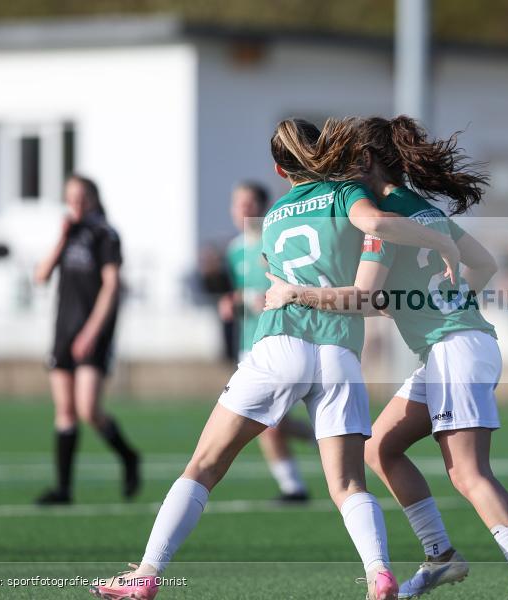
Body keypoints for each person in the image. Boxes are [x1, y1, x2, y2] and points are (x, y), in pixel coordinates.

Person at [90, 118, 462, 600]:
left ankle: (145, 575)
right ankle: (379, 575)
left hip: (279, 344)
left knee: (204, 464)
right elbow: (375, 227)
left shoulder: (274, 217)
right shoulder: (345, 195)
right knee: (348, 484)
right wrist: (440, 238)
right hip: (338, 354)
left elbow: (272, 277)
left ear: (279, 170)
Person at [265, 116, 508, 600]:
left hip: (455, 351)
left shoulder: (382, 221)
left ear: (364, 161)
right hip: (459, 346)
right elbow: (484, 264)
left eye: (343, 158)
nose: (335, 168)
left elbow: (360, 297)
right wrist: (445, 302)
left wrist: (294, 293)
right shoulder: (421, 210)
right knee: (379, 447)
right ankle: (441, 556)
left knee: (468, 472)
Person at [33, 174, 140, 505]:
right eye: (71, 197)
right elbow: (40, 276)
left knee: (88, 409)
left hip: (94, 333)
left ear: (93, 198)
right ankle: (63, 489)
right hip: (63, 331)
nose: (76, 203)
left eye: (82, 197)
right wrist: (61, 239)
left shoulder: (105, 234)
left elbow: (111, 286)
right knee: (64, 410)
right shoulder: (69, 233)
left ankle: (128, 457)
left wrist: (92, 331)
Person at [218, 181, 315, 503]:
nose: (243, 210)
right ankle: (307, 465)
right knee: (271, 420)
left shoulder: (277, 243)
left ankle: (294, 484)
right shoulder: (233, 250)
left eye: (249, 204)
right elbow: (240, 293)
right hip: (251, 343)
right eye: (237, 204)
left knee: (263, 418)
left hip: (286, 340)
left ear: (263, 207)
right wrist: (231, 301)